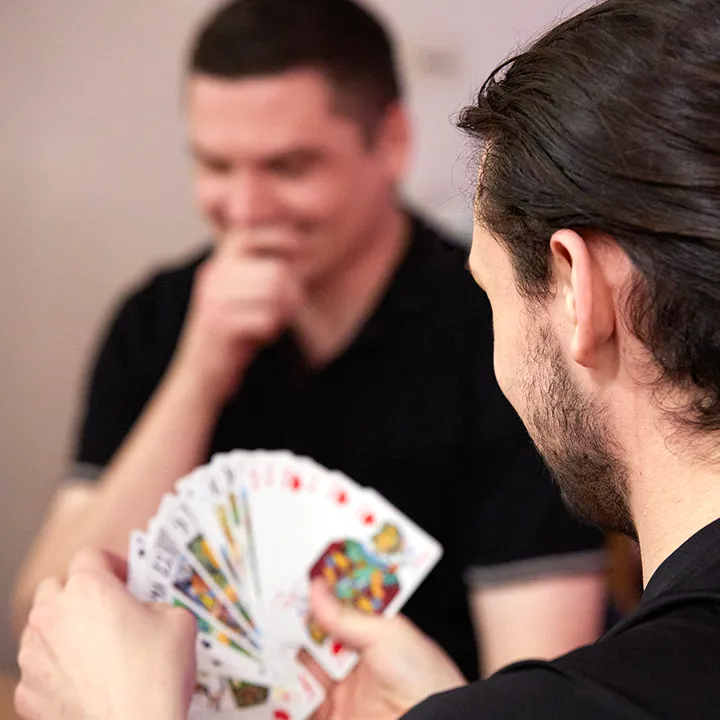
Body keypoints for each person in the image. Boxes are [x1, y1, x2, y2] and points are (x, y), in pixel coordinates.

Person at [15, 0, 720, 717]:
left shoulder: (496, 332)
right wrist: (197, 375)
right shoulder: (159, 318)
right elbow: (46, 631)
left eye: (290, 166)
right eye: (216, 165)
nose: (248, 208)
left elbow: (542, 677)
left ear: (390, 141)